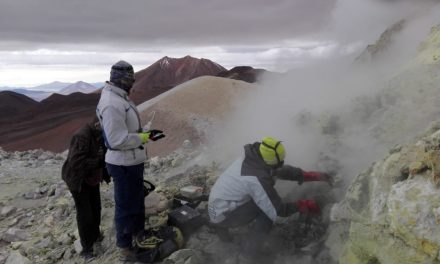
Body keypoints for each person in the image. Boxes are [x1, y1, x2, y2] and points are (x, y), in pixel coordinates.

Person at [208, 136, 332, 261]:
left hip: (218, 204)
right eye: (280, 163)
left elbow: (280, 171)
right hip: (223, 215)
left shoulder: (254, 157)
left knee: (263, 200)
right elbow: (278, 210)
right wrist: (305, 204)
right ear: (271, 161)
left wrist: (311, 176)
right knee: (267, 212)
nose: (282, 164)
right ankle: (249, 253)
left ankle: (222, 232)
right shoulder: (257, 179)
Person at [96, 60, 165, 262]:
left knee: (136, 200)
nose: (131, 83)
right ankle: (125, 247)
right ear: (118, 79)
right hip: (122, 163)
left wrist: (147, 134)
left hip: (131, 160)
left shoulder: (120, 98)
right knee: (126, 205)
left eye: (132, 79)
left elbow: (126, 130)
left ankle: (139, 234)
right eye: (128, 79)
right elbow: (116, 140)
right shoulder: (111, 103)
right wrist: (144, 138)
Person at [61, 117, 110, 262]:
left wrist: (106, 173)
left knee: (96, 208)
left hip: (91, 178)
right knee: (85, 214)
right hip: (78, 180)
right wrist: (99, 162)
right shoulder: (82, 136)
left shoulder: (99, 135)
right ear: (98, 124)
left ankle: (95, 236)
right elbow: (76, 162)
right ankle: (86, 248)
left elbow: (104, 154)